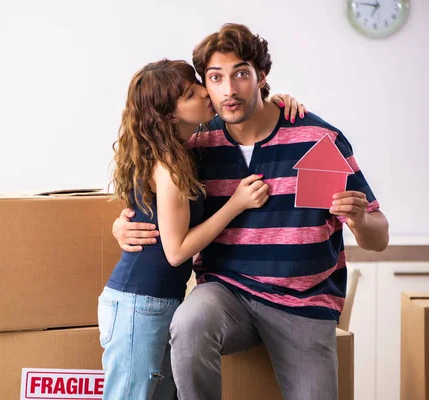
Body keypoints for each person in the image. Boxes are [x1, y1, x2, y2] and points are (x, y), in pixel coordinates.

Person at [112, 24, 389, 400]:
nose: (229, 89)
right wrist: (122, 225)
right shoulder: (196, 143)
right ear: (205, 86)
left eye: (241, 73)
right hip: (226, 294)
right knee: (189, 324)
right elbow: (151, 188)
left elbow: (379, 239)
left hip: (303, 304)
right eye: (215, 78)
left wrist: (358, 219)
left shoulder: (316, 139)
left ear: (262, 78)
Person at [99, 58, 305, 400]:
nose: (207, 95)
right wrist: (236, 204)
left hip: (159, 300)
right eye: (192, 93)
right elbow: (177, 251)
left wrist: (276, 102)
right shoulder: (169, 167)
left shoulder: (181, 152)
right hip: (139, 303)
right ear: (170, 115)